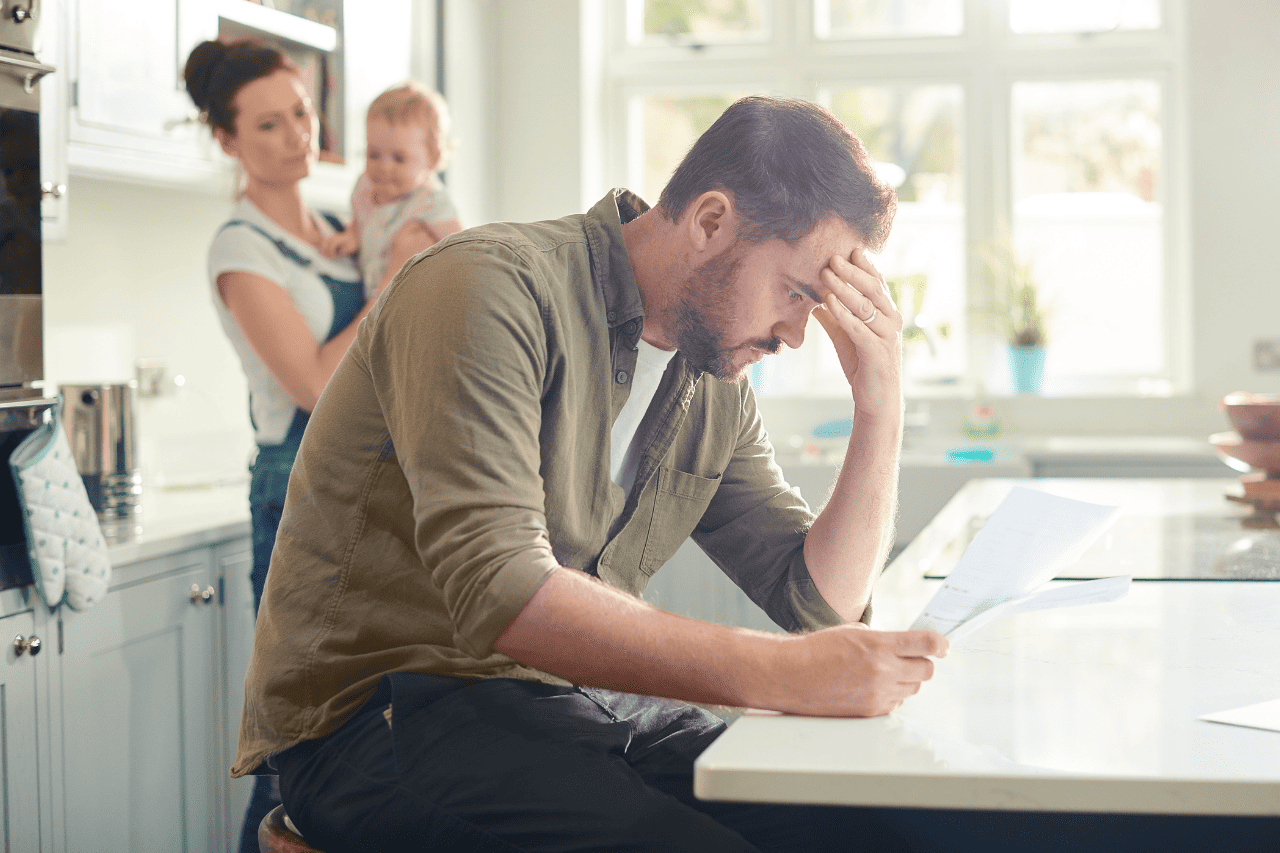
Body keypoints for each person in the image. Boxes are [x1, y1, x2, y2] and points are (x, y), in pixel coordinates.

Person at [232, 95, 948, 852]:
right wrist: (780, 672)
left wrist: (881, 404)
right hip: (381, 714)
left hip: (569, 707)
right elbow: (500, 588)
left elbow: (819, 605)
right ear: (710, 222)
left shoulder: (713, 382)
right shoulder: (486, 288)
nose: (798, 335)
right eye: (799, 292)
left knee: (864, 826)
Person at [182, 38, 372, 853]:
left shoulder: (336, 229)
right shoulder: (239, 247)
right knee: (295, 742)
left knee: (369, 739)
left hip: (369, 487)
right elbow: (316, 384)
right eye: (268, 124)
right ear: (226, 140)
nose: (298, 134)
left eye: (301, 112)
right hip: (294, 490)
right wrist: (395, 287)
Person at [320, 81, 463, 295]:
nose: (384, 167)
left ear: (433, 159)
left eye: (399, 158)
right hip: (375, 295)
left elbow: (462, 249)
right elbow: (360, 221)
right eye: (373, 154)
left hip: (417, 300)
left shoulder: (431, 203)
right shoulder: (365, 186)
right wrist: (351, 236)